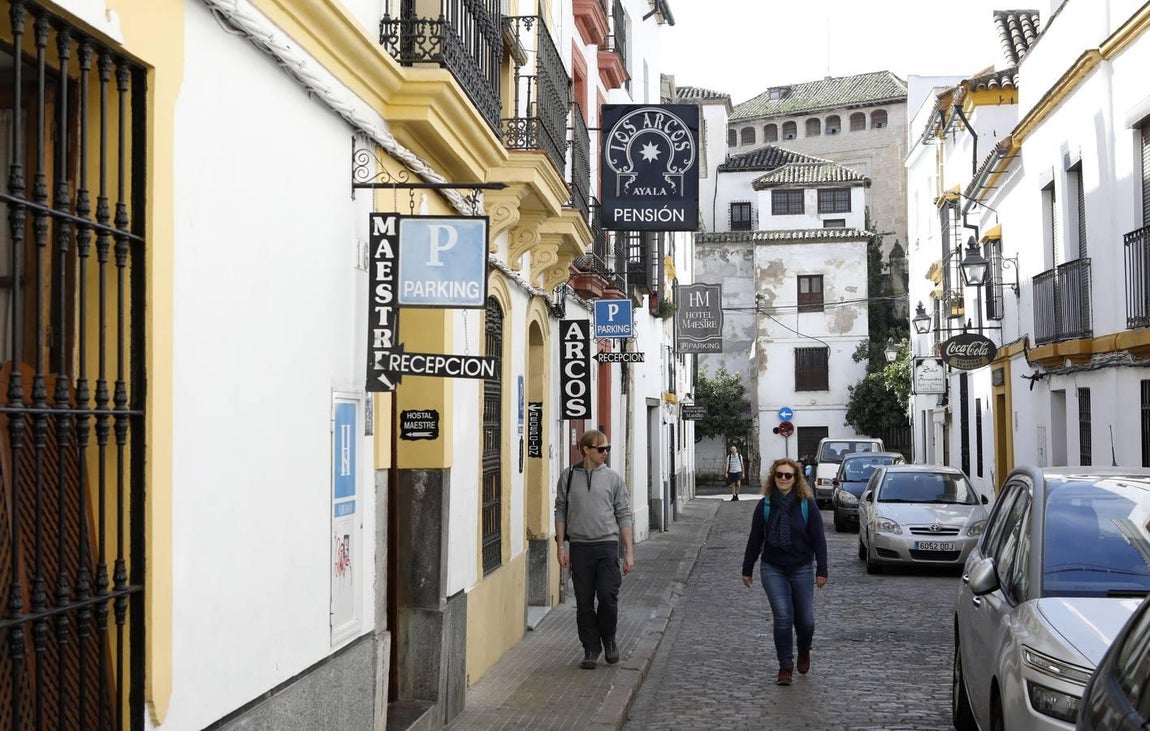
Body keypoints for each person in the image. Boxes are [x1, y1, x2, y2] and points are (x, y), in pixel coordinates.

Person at [740, 457, 829, 686]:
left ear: (795, 478)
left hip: (801, 568)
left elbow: (819, 539)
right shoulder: (766, 505)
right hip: (773, 568)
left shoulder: (806, 504)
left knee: (806, 620)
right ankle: (785, 666)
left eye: (788, 475)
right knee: (783, 617)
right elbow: (755, 538)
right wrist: (747, 568)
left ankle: (803, 648)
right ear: (773, 477)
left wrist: (822, 569)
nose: (783, 479)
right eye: (779, 474)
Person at [555, 430, 635, 670]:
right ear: (586, 449)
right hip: (580, 547)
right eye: (601, 449)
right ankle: (591, 648)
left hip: (607, 545)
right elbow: (560, 510)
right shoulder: (568, 476)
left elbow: (624, 513)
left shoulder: (613, 478)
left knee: (608, 597)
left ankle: (609, 639)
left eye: (607, 448)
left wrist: (629, 551)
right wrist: (561, 546)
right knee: (584, 601)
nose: (605, 453)